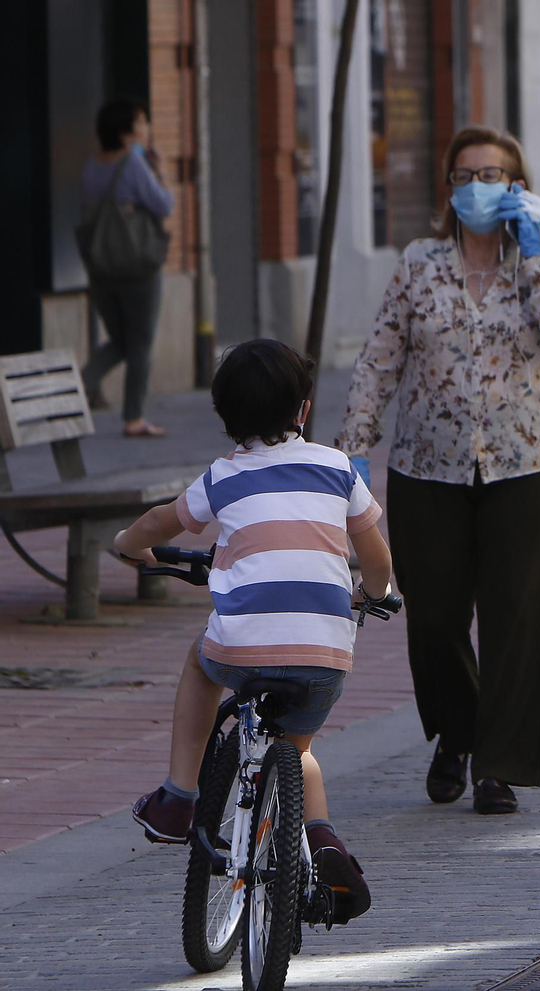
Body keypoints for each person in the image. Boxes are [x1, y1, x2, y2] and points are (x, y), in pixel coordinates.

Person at [332, 127, 540, 815]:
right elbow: (380, 358)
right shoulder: (419, 265)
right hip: (428, 469)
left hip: (528, 465)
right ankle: (457, 730)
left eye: (496, 174)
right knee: (437, 619)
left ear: (518, 186)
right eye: (467, 174)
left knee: (519, 621)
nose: (480, 186)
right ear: (449, 189)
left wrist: (536, 257)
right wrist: (354, 444)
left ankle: (497, 764)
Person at [115, 339, 388, 924]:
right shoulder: (337, 468)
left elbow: (163, 521)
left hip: (243, 645)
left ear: (224, 418)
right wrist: (377, 594)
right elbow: (376, 557)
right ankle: (323, 842)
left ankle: (178, 796)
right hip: (323, 652)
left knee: (199, 663)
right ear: (304, 409)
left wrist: (127, 546)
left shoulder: (223, 476)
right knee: (295, 748)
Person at [80, 97, 173, 437]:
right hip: (138, 267)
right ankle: (133, 417)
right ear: (126, 133)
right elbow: (164, 205)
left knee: (120, 340)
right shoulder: (133, 165)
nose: (146, 129)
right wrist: (160, 172)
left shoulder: (92, 166)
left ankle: (79, 385)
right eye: (141, 123)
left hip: (102, 268)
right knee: (140, 342)